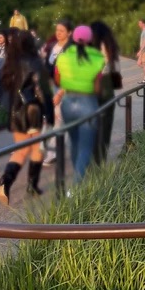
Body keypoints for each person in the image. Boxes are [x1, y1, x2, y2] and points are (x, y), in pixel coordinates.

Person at [0, 31, 53, 204]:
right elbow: (44, 92)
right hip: (33, 111)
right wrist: (49, 115)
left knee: (20, 151)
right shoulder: (36, 63)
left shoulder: (10, 63)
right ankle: (32, 185)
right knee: (37, 149)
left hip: (16, 111)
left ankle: (5, 181)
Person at [54, 25, 105, 183]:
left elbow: (58, 79)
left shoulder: (63, 57)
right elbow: (97, 86)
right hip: (88, 103)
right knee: (85, 146)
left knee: (74, 142)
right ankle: (76, 189)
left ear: (73, 39)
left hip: (68, 103)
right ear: (90, 40)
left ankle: (79, 178)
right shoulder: (97, 58)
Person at [41, 19, 73, 166]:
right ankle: (44, 148)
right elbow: (48, 69)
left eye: (62, 31)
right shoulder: (53, 47)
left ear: (69, 33)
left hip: (66, 89)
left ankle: (52, 152)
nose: (58, 33)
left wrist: (60, 93)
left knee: (58, 119)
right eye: (57, 30)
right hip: (52, 88)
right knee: (50, 118)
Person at [90, 20, 121, 163]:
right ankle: (100, 159)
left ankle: (94, 161)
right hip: (107, 88)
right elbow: (115, 68)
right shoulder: (109, 47)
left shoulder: (90, 48)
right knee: (105, 127)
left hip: (92, 89)